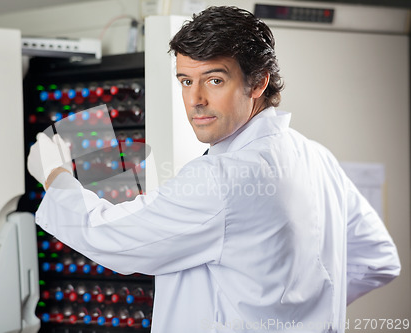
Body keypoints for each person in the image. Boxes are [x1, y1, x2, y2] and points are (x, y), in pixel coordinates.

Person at [27, 6, 401, 332]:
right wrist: (305, 316)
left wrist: (54, 174)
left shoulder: (223, 179)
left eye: (215, 80)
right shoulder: (316, 157)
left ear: (258, 82)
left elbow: (110, 238)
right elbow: (378, 259)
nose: (195, 100)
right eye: (186, 81)